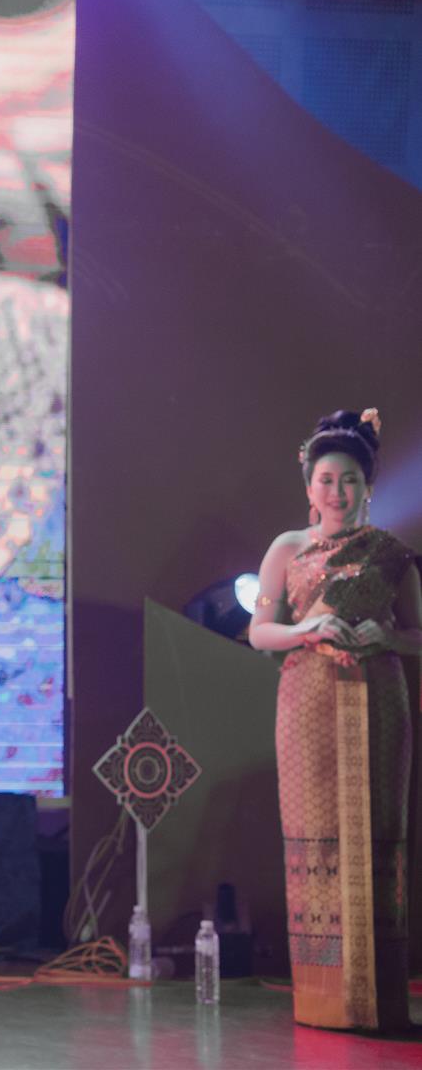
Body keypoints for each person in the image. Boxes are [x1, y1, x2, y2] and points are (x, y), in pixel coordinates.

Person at [247, 408, 421, 1032]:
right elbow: (259, 631)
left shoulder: (392, 555)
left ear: (368, 486)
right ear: (309, 487)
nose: (337, 492)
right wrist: (307, 628)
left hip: (380, 697)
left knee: (379, 832)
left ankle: (377, 997)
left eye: (349, 480)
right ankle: (324, 1000)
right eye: (326, 480)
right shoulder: (286, 549)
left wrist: (388, 636)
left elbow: (418, 634)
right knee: (315, 836)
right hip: (309, 699)